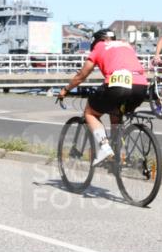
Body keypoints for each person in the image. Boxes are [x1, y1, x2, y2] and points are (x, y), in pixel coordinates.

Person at [58, 29, 148, 165]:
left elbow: (82, 75)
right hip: (140, 86)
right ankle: (116, 157)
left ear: (97, 40)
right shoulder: (126, 45)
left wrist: (65, 90)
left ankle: (105, 148)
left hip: (118, 84)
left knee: (90, 112)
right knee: (116, 112)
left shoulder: (99, 47)